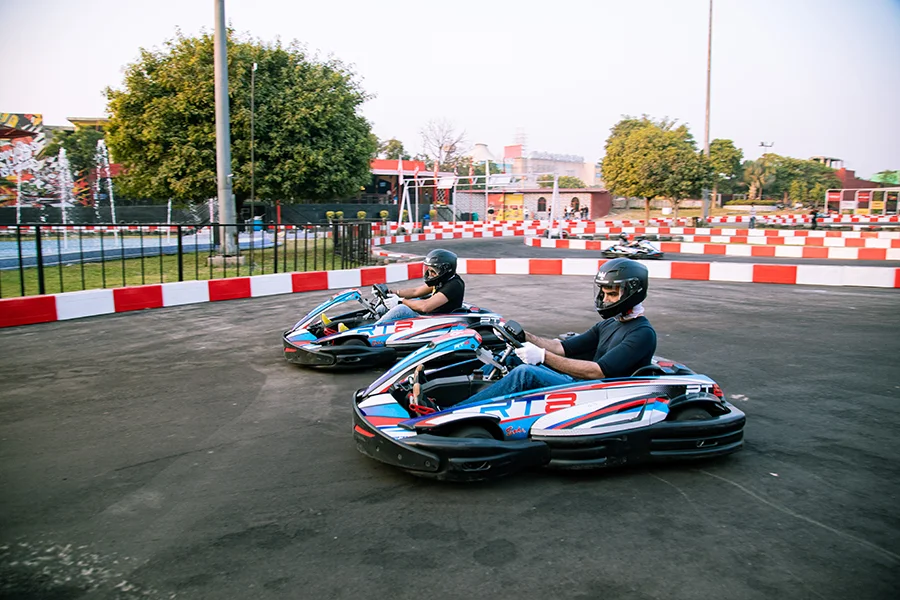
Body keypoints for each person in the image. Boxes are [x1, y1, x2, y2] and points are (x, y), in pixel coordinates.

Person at [461, 258, 657, 404]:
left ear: (632, 292)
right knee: (512, 359)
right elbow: (562, 348)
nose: (605, 300)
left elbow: (598, 371)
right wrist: (524, 336)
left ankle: (457, 413)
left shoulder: (642, 334)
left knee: (525, 373)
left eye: (612, 294)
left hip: (599, 394)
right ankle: (462, 397)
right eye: (604, 293)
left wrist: (542, 357)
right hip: (581, 383)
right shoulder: (608, 324)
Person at [376, 249, 465, 324]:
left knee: (401, 308)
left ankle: (374, 330)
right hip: (429, 316)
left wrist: (400, 301)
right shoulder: (442, 280)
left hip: (437, 320)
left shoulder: (454, 285)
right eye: (429, 270)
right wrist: (391, 293)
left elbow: (425, 306)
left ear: (446, 270)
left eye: (433, 271)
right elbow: (415, 291)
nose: (430, 274)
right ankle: (372, 317)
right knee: (383, 307)